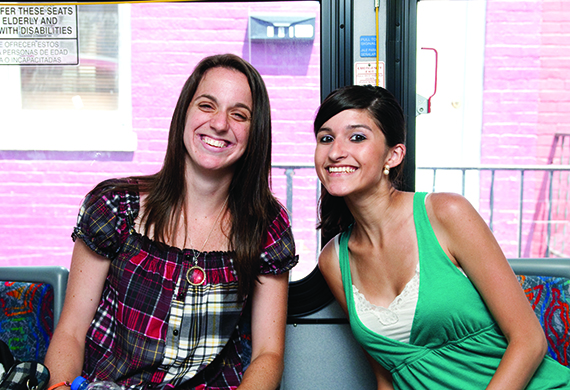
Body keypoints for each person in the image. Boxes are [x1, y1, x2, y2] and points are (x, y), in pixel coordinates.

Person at [44, 53, 298, 390]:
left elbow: (268, 355)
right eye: (207, 105)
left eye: (239, 115)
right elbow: (71, 331)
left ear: (255, 133)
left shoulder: (267, 225)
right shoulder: (115, 205)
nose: (220, 124)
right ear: (184, 114)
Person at [314, 84, 570, 389]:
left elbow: (528, 342)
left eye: (357, 137)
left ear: (393, 155)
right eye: (325, 138)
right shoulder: (333, 260)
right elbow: (386, 377)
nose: (335, 152)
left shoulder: (447, 213)